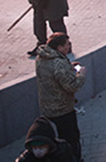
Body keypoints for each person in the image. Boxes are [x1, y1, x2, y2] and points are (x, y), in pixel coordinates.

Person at [36, 33, 86, 161]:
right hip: (62, 109)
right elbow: (72, 86)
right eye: (67, 44)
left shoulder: (41, 58)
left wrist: (68, 68)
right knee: (71, 138)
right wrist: (81, 75)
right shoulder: (58, 63)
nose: (69, 46)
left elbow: (53, 75)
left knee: (57, 138)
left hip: (47, 107)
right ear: (59, 47)